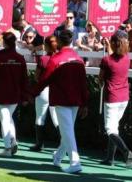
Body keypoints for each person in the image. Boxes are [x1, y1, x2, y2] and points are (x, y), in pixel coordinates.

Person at [33, 29, 89, 174]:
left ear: (58, 41)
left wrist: (31, 93)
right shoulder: (78, 59)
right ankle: (58, 157)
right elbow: (83, 83)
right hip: (75, 101)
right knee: (67, 131)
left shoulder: (56, 59)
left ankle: (75, 162)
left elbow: (44, 80)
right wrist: (84, 103)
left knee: (67, 132)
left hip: (62, 100)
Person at [0, 32, 29, 157]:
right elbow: (25, 80)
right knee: (8, 119)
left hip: (1, 94)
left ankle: (8, 147)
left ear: (4, 42)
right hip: (14, 95)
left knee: (5, 120)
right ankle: (13, 141)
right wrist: (25, 96)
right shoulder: (20, 58)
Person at [98, 32, 132, 167]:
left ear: (113, 44)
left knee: (110, 129)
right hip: (124, 97)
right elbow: (113, 58)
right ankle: (110, 158)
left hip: (112, 98)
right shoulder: (127, 58)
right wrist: (109, 47)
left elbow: (101, 79)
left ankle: (126, 152)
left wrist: (101, 82)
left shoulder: (106, 60)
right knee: (114, 128)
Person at [30, 35, 59, 152]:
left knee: (40, 118)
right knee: (56, 119)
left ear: (46, 46)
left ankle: (39, 144)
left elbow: (37, 76)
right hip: (56, 91)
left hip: (43, 91)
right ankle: (64, 144)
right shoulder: (60, 58)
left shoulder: (43, 59)